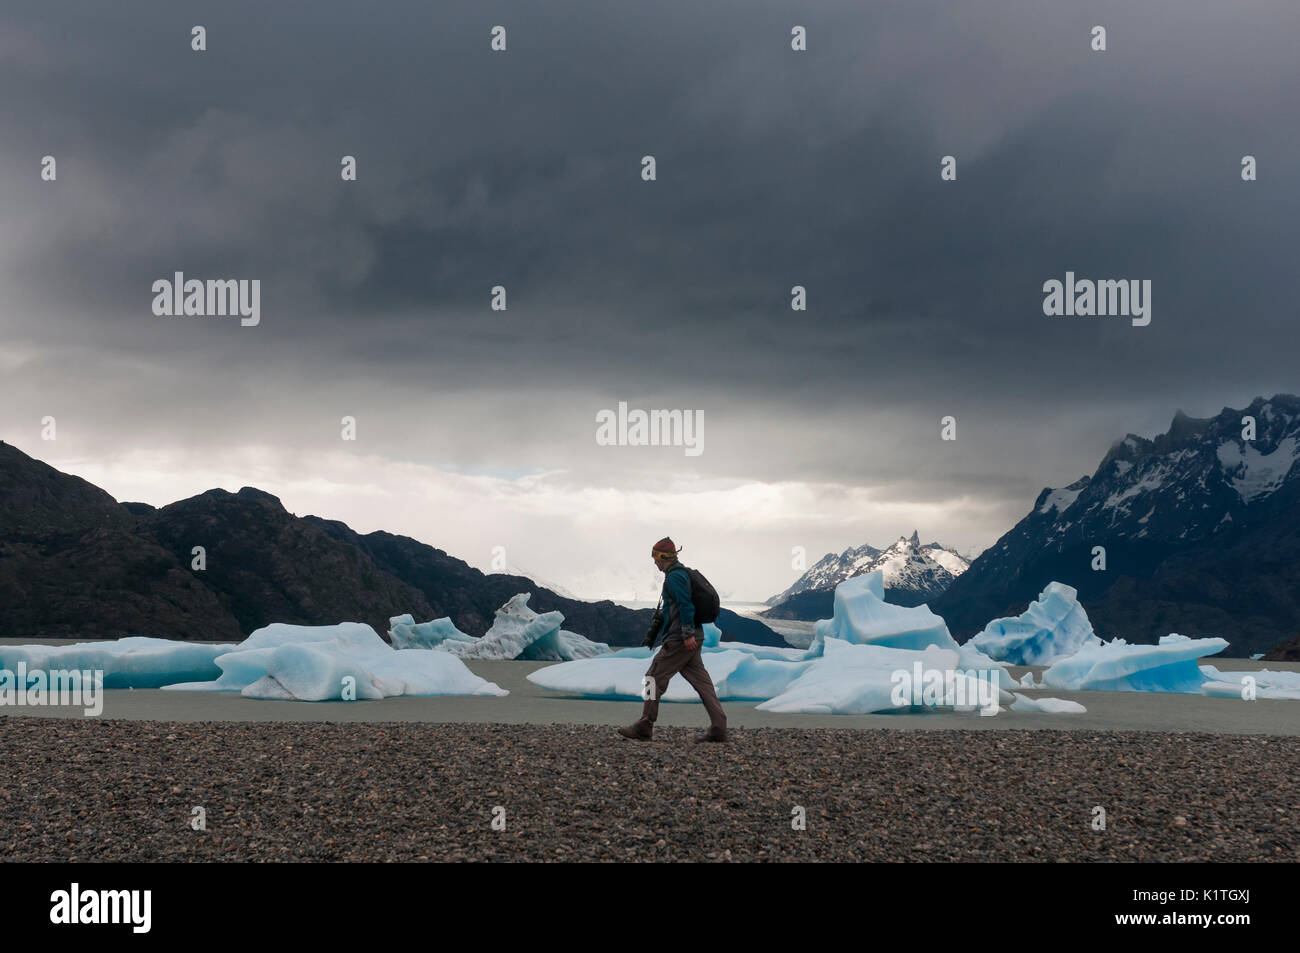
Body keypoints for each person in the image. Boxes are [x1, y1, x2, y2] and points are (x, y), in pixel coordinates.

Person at [618, 537, 727, 743]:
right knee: (702, 683)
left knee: (652, 677)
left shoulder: (674, 578)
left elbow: (686, 605)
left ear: (663, 557)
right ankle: (719, 727)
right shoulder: (680, 574)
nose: (654, 563)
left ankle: (645, 724)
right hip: (693, 636)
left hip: (679, 639)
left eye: (655, 557)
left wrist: (686, 634)